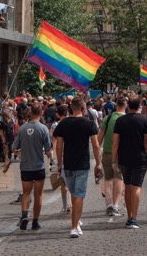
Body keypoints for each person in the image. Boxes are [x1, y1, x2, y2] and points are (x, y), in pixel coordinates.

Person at [53, 96, 101, 238]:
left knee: (74, 194)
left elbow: (59, 146)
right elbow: (96, 145)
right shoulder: (89, 124)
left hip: (68, 163)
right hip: (82, 163)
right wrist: (98, 163)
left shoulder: (63, 124)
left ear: (70, 109)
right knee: (79, 195)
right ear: (83, 108)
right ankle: (74, 226)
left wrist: (59, 163)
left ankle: (77, 220)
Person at [112, 95, 147, 229]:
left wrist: (114, 160)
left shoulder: (120, 121)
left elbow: (115, 143)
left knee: (128, 186)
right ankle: (134, 218)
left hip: (124, 157)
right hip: (140, 157)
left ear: (128, 106)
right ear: (139, 106)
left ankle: (129, 216)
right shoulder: (144, 120)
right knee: (136, 187)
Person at [12, 103, 52, 230]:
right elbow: (47, 149)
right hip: (38, 166)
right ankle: (35, 221)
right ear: (41, 113)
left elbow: (14, 147)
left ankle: (24, 215)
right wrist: (52, 160)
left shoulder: (22, 128)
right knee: (38, 195)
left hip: (25, 166)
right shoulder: (43, 129)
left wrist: (17, 152)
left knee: (26, 193)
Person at [98, 96, 127, 217]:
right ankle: (115, 205)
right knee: (119, 178)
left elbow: (100, 137)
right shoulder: (126, 119)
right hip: (121, 153)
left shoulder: (107, 118)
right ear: (125, 106)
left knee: (108, 178)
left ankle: (109, 204)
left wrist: (97, 151)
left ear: (116, 106)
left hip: (107, 153)